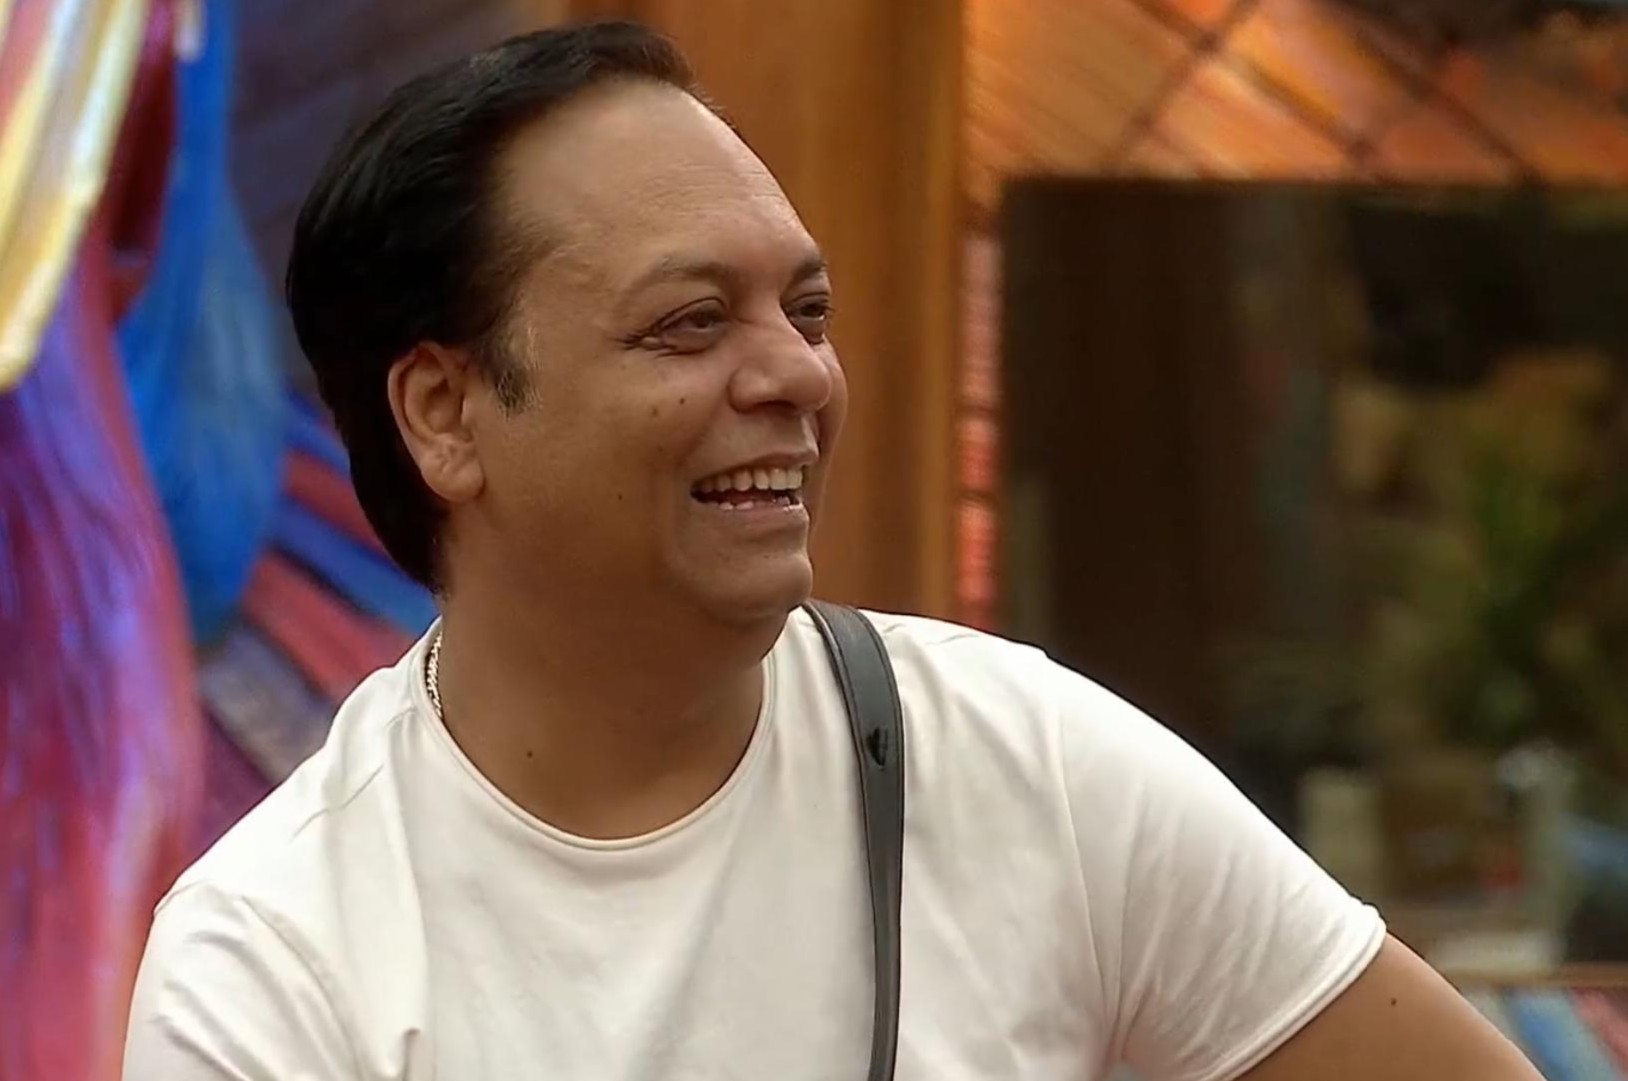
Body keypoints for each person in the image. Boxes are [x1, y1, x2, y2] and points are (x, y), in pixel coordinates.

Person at [123, 21, 1542, 1081]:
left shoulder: (1024, 766)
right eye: (690, 323)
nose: (798, 375)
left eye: (805, 312)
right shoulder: (277, 960)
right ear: (445, 413)